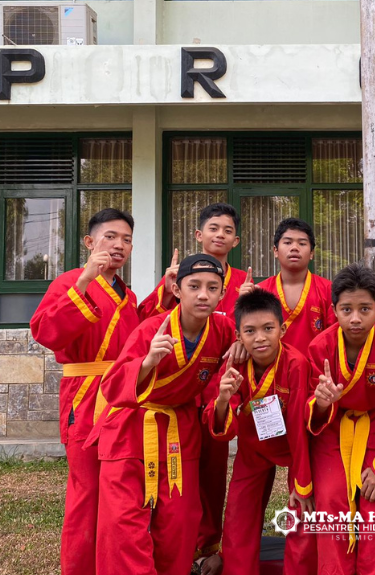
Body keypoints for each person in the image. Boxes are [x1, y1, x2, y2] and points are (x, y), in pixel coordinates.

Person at [92, 254, 237, 575]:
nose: (203, 294)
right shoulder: (151, 329)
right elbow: (113, 386)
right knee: (123, 526)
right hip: (131, 429)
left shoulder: (224, 330)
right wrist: (146, 363)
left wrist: (241, 349)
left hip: (178, 432)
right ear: (176, 288)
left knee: (180, 523)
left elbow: (231, 365)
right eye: (194, 286)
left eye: (213, 287)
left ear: (222, 294)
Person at [137, 202, 251, 571]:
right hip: (173, 389)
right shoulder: (178, 275)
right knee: (173, 478)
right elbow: (146, 325)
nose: (220, 234)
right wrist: (165, 289)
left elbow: (256, 332)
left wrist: (243, 330)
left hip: (217, 388)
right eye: (213, 228)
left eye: (227, 230)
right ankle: (165, 544)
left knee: (213, 473)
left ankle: (207, 544)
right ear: (199, 235)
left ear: (235, 239)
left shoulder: (243, 283)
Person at [30, 208, 139, 575]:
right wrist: (84, 282)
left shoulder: (129, 295)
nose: (118, 245)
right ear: (90, 242)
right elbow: (45, 332)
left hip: (123, 399)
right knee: (87, 491)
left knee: (120, 491)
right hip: (85, 396)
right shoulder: (69, 282)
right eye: (110, 237)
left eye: (126, 239)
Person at [306, 264, 375, 575]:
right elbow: (311, 409)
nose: (356, 318)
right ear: (334, 310)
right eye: (347, 309)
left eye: (365, 309)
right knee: (331, 502)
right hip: (334, 429)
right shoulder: (320, 347)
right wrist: (321, 403)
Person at [204, 289, 316, 575]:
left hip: (297, 447)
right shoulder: (236, 363)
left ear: (283, 329)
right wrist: (221, 400)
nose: (260, 338)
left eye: (268, 328)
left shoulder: (296, 364)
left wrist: (303, 484)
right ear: (238, 336)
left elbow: (298, 429)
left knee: (301, 512)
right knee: (239, 513)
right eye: (250, 331)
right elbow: (221, 426)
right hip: (254, 447)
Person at [257, 218, 336, 352]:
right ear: (275, 251)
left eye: (302, 243)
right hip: (273, 370)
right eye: (287, 242)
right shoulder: (261, 291)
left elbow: (335, 338)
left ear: (311, 253)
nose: (294, 248)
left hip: (316, 370)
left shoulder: (328, 289)